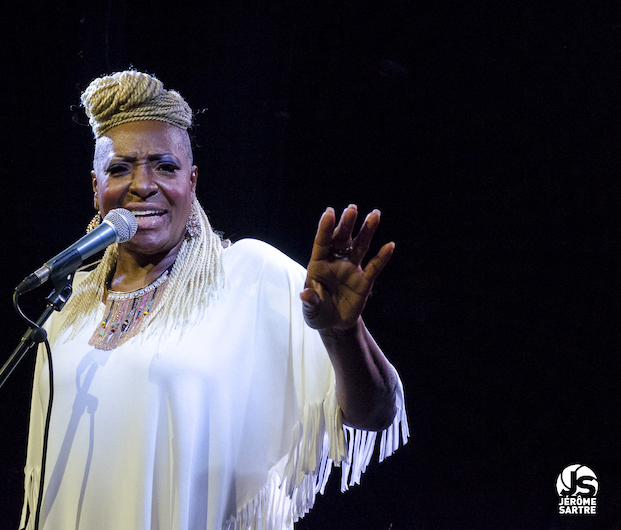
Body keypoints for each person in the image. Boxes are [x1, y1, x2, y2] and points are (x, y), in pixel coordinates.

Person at [20, 70, 408, 530]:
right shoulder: (66, 306)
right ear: (95, 186)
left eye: (165, 166)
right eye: (120, 168)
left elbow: (377, 411)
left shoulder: (248, 276)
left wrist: (342, 333)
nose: (143, 184)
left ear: (193, 181)